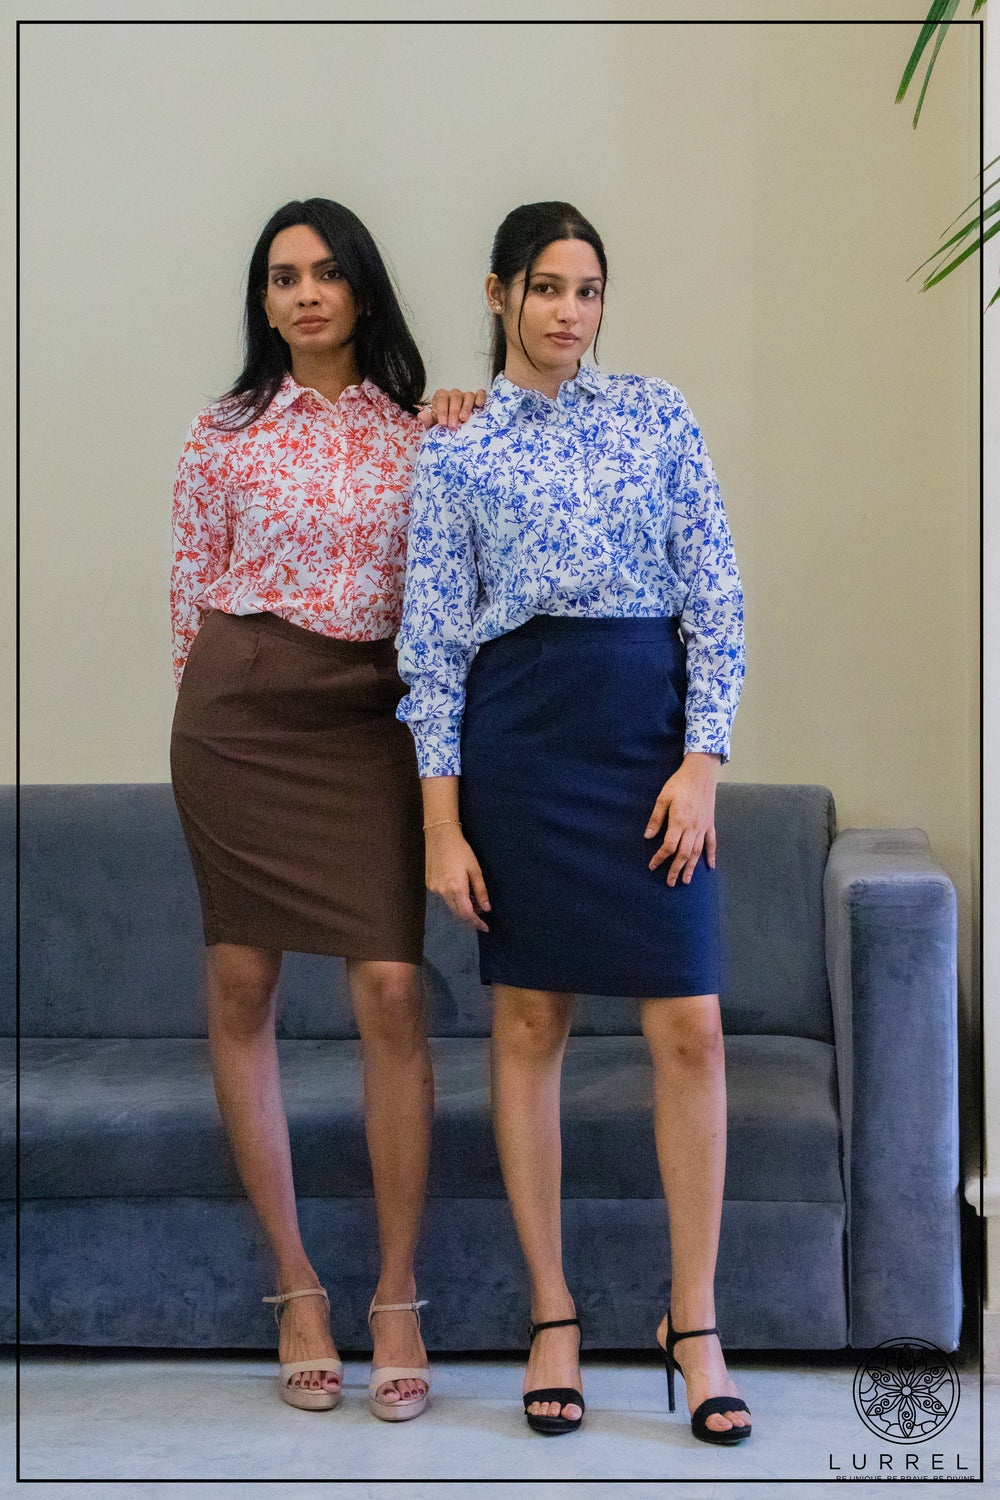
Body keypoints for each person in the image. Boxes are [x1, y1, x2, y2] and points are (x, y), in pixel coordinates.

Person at [397, 201, 751, 1444]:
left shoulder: (657, 413)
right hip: (522, 749)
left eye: (587, 289)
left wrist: (702, 762)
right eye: (545, 286)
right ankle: (552, 1312)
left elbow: (716, 596)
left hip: (648, 741)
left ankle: (691, 1321)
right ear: (499, 293)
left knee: (691, 1030)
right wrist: (442, 826)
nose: (568, 311)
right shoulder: (454, 445)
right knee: (531, 1021)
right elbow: (431, 648)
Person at [170, 197, 484, 1420]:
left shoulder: (424, 433)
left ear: (361, 288)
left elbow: (451, 595)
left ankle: (396, 1294)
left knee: (393, 991)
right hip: (239, 715)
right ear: (263, 300)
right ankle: (296, 1286)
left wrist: (466, 418)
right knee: (242, 983)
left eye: (324, 273)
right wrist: (206, 719)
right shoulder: (222, 432)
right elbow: (189, 597)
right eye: (281, 276)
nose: (304, 294)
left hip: (369, 720)